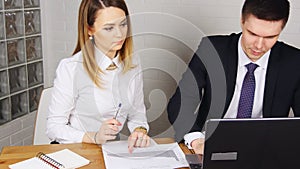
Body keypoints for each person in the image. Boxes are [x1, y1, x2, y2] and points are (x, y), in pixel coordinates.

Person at [167, 0, 300, 154]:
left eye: (270, 37)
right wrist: (197, 141)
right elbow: (180, 103)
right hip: (210, 144)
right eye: (253, 34)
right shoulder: (212, 50)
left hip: (266, 150)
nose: (258, 45)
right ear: (242, 22)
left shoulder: (294, 62)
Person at [47, 0, 150, 153]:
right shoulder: (70, 67)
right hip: (79, 152)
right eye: (109, 28)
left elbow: (137, 115)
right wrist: (93, 137)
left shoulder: (133, 63)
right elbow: (54, 128)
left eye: (123, 24)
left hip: (113, 154)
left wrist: (140, 131)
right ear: (90, 30)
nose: (119, 34)